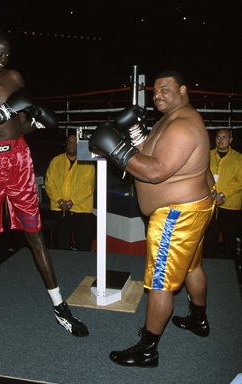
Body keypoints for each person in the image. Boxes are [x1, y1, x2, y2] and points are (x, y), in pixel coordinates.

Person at [0, 30, 89, 337]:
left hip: (19, 158)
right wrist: (2, 113)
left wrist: (35, 122)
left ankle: (60, 307)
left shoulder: (15, 77)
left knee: (35, 234)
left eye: (7, 53)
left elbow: (21, 122)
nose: (3, 58)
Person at [89, 70, 215, 367]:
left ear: (183, 90)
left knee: (160, 283)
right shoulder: (170, 119)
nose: (157, 94)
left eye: (165, 89)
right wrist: (134, 131)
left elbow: (156, 170)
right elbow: (149, 149)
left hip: (177, 215)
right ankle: (199, 320)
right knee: (192, 266)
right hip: (193, 209)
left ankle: (147, 350)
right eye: (155, 90)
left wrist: (115, 149)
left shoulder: (183, 124)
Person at [45, 134, 95, 251]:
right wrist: (60, 201)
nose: (72, 145)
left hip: (81, 208)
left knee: (83, 243)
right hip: (60, 208)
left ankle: (84, 266)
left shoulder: (87, 163)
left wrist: (71, 202)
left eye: (75, 143)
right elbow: (49, 183)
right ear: (66, 144)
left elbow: (88, 187)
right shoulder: (56, 161)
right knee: (62, 243)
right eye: (69, 142)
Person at [203, 129, 242, 265]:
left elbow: (239, 180)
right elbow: (201, 175)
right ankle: (210, 269)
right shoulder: (206, 156)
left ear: (230, 140)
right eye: (218, 137)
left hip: (231, 206)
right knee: (209, 239)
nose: (220, 140)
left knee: (230, 240)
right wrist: (213, 195)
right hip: (210, 204)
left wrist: (222, 194)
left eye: (224, 137)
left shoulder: (239, 158)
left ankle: (231, 271)